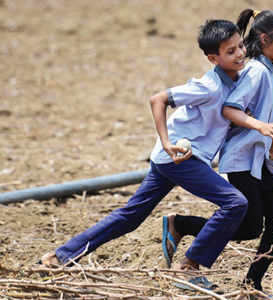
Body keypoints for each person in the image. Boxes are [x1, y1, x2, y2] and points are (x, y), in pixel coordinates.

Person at [39, 19, 256, 276]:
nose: (240, 53)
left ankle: (60, 256)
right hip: (181, 158)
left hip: (170, 160)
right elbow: (158, 99)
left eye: (241, 46)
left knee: (131, 216)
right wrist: (166, 143)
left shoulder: (235, 82)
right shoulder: (209, 86)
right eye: (231, 51)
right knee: (235, 203)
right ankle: (189, 266)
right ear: (213, 58)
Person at [161, 9, 273, 293]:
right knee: (258, 226)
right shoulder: (256, 71)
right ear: (264, 38)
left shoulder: (267, 69)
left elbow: (262, 114)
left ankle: (251, 286)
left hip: (255, 159)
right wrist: (262, 129)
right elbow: (230, 109)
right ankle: (184, 229)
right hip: (240, 160)